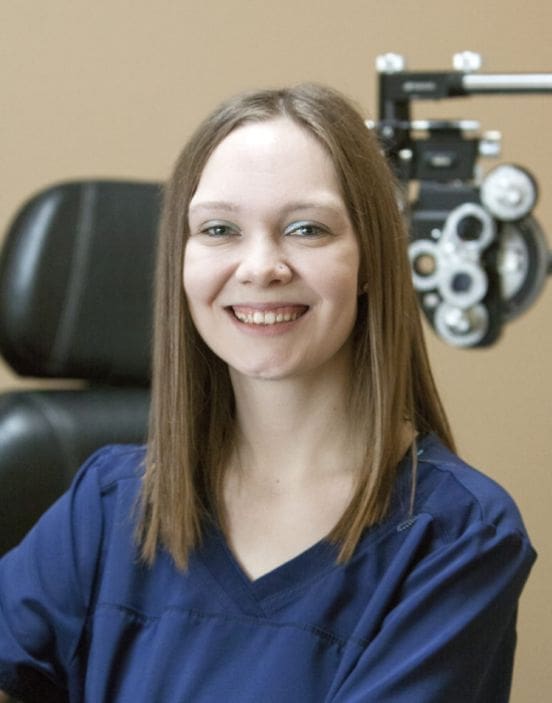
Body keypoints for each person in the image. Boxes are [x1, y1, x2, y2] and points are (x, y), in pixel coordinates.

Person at [0, 84, 536, 702]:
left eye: (306, 229)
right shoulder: (108, 505)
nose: (260, 267)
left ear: (370, 263)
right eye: (220, 228)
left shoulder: (455, 536)